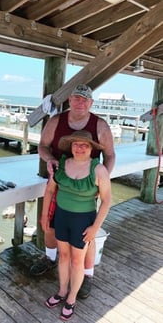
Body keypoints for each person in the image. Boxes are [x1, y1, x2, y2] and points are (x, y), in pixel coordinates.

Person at [30, 84, 115, 299]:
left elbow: (111, 155)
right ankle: (50, 259)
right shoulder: (56, 121)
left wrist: (101, 180)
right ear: (70, 100)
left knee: (88, 233)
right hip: (59, 180)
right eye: (76, 98)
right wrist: (49, 159)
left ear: (91, 103)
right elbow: (42, 146)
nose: (80, 103)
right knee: (49, 224)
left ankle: (87, 274)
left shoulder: (101, 126)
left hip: (85, 185)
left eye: (85, 100)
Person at [43, 130, 112, 320]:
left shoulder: (98, 170)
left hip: (83, 221)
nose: (79, 148)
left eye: (84, 145)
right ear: (71, 146)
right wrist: (44, 217)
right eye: (76, 144)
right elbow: (50, 190)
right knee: (63, 256)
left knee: (76, 261)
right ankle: (62, 291)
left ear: (91, 149)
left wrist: (95, 228)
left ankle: (72, 298)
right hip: (61, 217)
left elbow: (106, 201)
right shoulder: (61, 164)